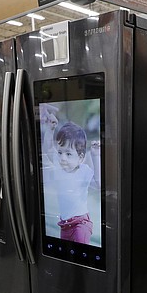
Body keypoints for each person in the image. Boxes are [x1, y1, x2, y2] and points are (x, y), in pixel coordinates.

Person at [40, 104, 101, 245]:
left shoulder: (83, 170)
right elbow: (48, 149)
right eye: (60, 152)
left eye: (68, 154)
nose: (63, 158)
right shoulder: (61, 166)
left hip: (81, 224)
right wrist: (50, 129)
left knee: (81, 251)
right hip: (64, 225)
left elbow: (98, 185)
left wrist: (95, 156)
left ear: (80, 157)